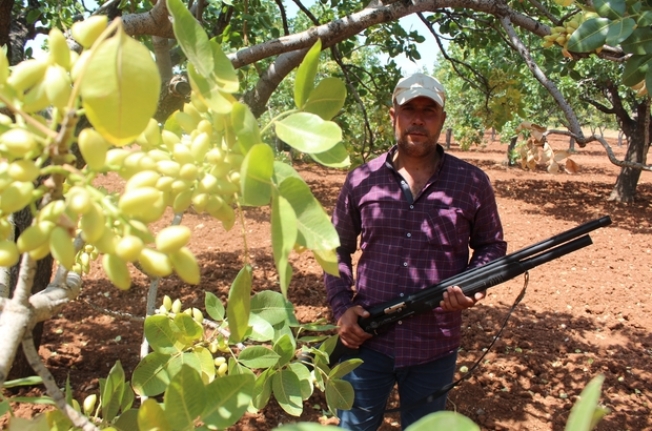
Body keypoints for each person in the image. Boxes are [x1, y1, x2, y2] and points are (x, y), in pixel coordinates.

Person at [323, 73, 507, 430]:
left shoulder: (471, 182)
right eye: (409, 109)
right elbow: (335, 249)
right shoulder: (362, 179)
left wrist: (474, 284)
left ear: (441, 119)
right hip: (367, 341)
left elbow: (492, 245)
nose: (418, 119)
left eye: (429, 110)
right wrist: (342, 309)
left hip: (433, 347)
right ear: (393, 115)